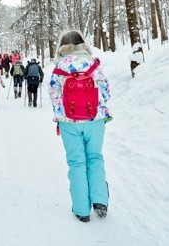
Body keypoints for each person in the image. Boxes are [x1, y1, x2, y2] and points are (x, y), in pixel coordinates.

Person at [49, 30, 110, 223]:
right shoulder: (93, 64)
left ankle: (82, 209)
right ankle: (100, 201)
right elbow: (106, 92)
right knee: (95, 158)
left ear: (62, 45)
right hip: (95, 120)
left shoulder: (60, 67)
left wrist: (62, 115)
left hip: (69, 122)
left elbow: (54, 97)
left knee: (76, 162)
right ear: (83, 43)